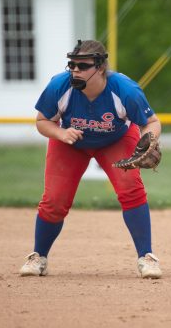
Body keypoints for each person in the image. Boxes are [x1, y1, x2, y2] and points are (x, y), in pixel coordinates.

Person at [19, 39, 163, 278]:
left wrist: (148, 140)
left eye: (83, 66)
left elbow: (151, 123)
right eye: (72, 65)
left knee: (130, 189)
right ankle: (38, 256)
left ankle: (146, 257)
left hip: (115, 140)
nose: (75, 70)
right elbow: (42, 121)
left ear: (100, 68)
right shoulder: (59, 86)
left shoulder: (124, 90)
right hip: (70, 142)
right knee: (55, 199)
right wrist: (61, 133)